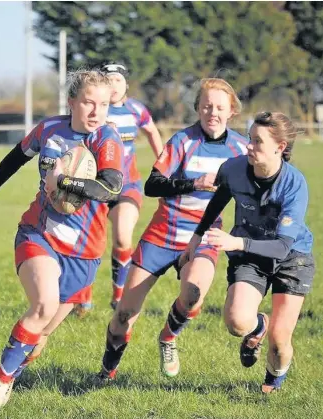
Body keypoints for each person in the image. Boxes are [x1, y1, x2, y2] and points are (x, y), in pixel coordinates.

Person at [0, 69, 124, 413]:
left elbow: (111, 187)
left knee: (39, 338)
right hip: (39, 235)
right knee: (42, 306)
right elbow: (15, 156)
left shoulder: (107, 140)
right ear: (72, 102)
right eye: (88, 102)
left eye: (104, 104)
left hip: (84, 254)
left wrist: (65, 181)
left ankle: (13, 371)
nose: (96, 112)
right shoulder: (49, 129)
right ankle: (0, 384)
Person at [97, 78, 249, 381]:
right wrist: (194, 182)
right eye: (206, 106)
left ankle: (168, 337)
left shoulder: (240, 148)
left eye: (220, 107)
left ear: (232, 111)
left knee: (193, 294)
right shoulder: (182, 141)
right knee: (124, 314)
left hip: (204, 237)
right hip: (161, 236)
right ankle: (106, 371)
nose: (212, 112)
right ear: (198, 108)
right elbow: (153, 185)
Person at [181, 111, 315, 393]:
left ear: (280, 147)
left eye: (257, 141)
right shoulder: (233, 168)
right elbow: (218, 200)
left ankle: (272, 383)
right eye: (249, 138)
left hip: (292, 258)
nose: (248, 146)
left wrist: (235, 242)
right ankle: (257, 328)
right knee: (237, 322)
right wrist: (196, 237)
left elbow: (281, 246)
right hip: (251, 257)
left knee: (279, 342)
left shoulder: (295, 185)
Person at [76, 62, 163, 314]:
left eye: (118, 80)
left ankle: (118, 296)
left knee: (123, 237)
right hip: (95, 185)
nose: (113, 85)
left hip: (127, 186)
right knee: (92, 242)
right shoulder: (96, 111)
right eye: (108, 80)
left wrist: (164, 166)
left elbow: (153, 133)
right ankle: (83, 298)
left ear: (126, 84)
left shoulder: (136, 109)